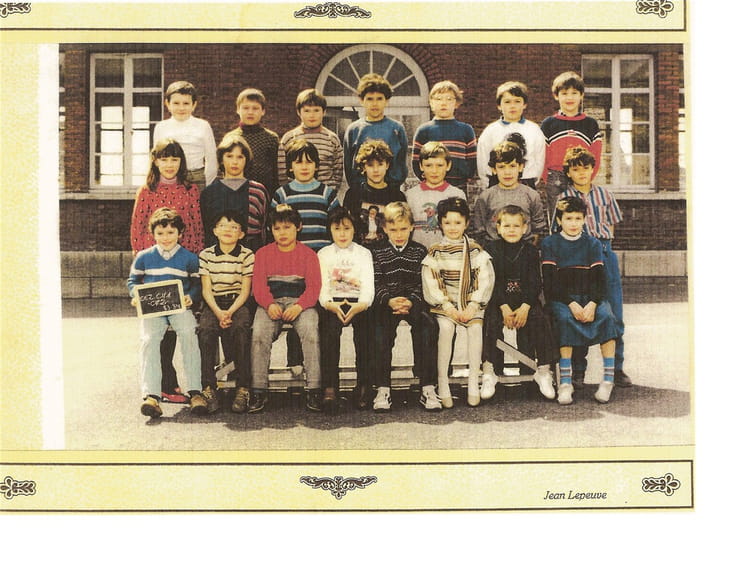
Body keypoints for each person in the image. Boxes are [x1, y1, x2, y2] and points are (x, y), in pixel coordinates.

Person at [130, 138, 203, 404]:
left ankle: (194, 388)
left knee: (183, 331)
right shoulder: (147, 191)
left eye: (174, 159)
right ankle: (160, 387)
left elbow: (196, 227)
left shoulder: (190, 189)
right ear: (155, 161)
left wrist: (191, 262)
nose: (169, 164)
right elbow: (138, 229)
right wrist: (147, 266)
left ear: (181, 162)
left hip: (181, 271)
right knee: (154, 336)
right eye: (164, 159)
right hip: (154, 276)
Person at [556, 146, 631, 388]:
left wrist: (604, 247)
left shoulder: (604, 194)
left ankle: (616, 368)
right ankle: (578, 370)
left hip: (604, 251)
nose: (581, 173)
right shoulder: (564, 198)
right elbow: (558, 230)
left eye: (586, 168)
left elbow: (612, 224)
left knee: (613, 312)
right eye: (576, 169)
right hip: (577, 255)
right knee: (580, 311)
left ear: (593, 169)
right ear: (568, 172)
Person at [541, 197, 621, 405]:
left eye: (578, 218)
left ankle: (608, 380)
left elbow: (599, 279)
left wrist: (593, 304)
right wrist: (572, 304)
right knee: (564, 319)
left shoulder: (593, 243)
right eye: (568, 218)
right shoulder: (550, 243)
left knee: (607, 316)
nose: (574, 223)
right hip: (563, 299)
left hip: (590, 298)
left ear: (584, 219)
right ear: (559, 220)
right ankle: (565, 383)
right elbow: (550, 282)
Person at [127, 208, 204, 418]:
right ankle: (151, 396)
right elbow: (133, 281)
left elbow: (197, 284)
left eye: (171, 232)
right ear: (153, 234)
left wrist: (191, 297)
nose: (166, 237)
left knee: (189, 334)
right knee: (149, 340)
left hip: (179, 307)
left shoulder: (189, 258)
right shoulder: (144, 257)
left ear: (180, 233)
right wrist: (136, 295)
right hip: (153, 309)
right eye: (160, 233)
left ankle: (196, 392)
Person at [273, 138, 340, 376]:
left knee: (316, 314)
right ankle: (294, 359)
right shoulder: (282, 194)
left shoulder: (327, 194)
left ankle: (317, 367)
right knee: (295, 305)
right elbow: (276, 229)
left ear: (317, 166)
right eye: (298, 162)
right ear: (290, 166)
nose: (304, 167)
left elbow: (335, 228)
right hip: (292, 264)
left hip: (320, 263)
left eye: (309, 162)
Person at [249, 204, 323, 413]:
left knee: (311, 332)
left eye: (287, 227)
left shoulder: (308, 254)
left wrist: (300, 305)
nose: (282, 233)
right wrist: (269, 304)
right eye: (277, 228)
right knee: (259, 334)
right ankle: (258, 389)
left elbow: (314, 287)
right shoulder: (263, 254)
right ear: (271, 230)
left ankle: (314, 388)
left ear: (298, 227)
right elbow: (258, 286)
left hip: (300, 303)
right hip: (271, 303)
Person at [422, 197, 495, 408]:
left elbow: (485, 279)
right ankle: (443, 383)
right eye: (447, 222)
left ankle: (473, 382)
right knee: (445, 329)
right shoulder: (435, 250)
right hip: (446, 306)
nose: (452, 227)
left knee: (475, 329)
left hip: (470, 304)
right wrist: (447, 306)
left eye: (457, 222)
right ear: (440, 224)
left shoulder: (475, 250)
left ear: (466, 223)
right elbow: (431, 281)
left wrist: (473, 305)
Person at [481, 205, 557, 401]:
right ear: (498, 228)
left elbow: (535, 282)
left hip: (525, 302)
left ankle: (543, 369)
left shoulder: (531, 251)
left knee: (540, 319)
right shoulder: (491, 249)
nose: (511, 230)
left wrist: (525, 306)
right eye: (506, 225)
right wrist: (504, 307)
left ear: (525, 228)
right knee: (489, 321)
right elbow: (491, 282)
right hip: (499, 302)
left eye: (516, 225)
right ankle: (490, 370)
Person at [370, 202, 439, 412]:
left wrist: (411, 301)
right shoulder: (376, 251)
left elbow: (422, 282)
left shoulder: (419, 251)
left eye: (403, 229)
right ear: (384, 229)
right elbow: (376, 282)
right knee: (380, 332)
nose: (399, 234)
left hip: (412, 302)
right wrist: (389, 300)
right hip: (387, 303)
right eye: (393, 230)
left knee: (428, 327)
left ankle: (427, 386)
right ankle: (382, 388)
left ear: (411, 227)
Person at [317, 207, 375, 412]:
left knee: (365, 335)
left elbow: (368, 283)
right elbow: (322, 285)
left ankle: (364, 385)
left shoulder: (363, 253)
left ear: (354, 230)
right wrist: (328, 304)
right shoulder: (324, 253)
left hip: (358, 302)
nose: (342, 234)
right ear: (330, 230)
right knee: (329, 335)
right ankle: (330, 387)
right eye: (337, 229)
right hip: (333, 303)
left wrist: (362, 304)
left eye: (347, 228)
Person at [198, 211, 254, 414]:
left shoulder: (247, 255)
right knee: (206, 330)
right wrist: (219, 313)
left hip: (237, 303)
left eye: (234, 227)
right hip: (213, 303)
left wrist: (229, 312)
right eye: (222, 226)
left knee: (241, 329)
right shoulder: (206, 255)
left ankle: (243, 387)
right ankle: (208, 387)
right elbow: (206, 290)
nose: (228, 230)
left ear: (241, 233)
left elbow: (245, 291)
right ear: (215, 231)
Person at [540, 71, 602, 227]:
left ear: (581, 95)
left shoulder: (590, 124)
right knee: (557, 221)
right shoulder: (549, 124)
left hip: (580, 176)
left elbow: (596, 155)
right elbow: (542, 155)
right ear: (556, 96)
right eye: (564, 93)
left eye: (574, 93)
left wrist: (586, 178)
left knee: (579, 221)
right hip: (555, 178)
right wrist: (547, 178)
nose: (569, 98)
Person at [200, 133, 269, 253]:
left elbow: (264, 230)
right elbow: (206, 231)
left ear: (246, 160)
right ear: (221, 159)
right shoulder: (209, 193)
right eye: (229, 156)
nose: (235, 162)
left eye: (240, 157)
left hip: (251, 255)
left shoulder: (258, 191)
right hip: (217, 258)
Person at [472, 140, 547, 248]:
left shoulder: (532, 195)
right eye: (501, 167)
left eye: (512, 166)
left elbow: (537, 229)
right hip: (494, 250)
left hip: (523, 250)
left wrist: (528, 249)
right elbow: (479, 229)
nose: (507, 172)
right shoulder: (486, 197)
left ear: (520, 167)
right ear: (494, 169)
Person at [476, 81, 546, 191]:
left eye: (517, 101)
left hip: (526, 182)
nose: (512, 106)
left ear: (524, 104)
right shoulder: (490, 131)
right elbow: (483, 162)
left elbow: (539, 161)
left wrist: (530, 181)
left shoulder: (534, 129)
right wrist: (490, 183)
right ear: (499, 106)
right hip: (497, 183)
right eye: (507, 102)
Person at [343, 73, 408, 189]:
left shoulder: (397, 128)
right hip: (361, 192)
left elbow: (401, 163)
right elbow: (348, 166)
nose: (374, 104)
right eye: (369, 99)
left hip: (390, 191)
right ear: (361, 100)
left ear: (386, 100)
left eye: (379, 99)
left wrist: (392, 186)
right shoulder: (354, 129)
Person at [412, 80, 477, 192]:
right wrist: (429, 181)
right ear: (431, 103)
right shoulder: (423, 130)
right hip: (431, 188)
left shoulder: (466, 130)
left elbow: (472, 161)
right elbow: (416, 162)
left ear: (456, 103)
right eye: (438, 99)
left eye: (449, 99)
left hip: (458, 187)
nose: (443, 103)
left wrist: (464, 178)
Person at [153, 81, 217, 193]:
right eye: (176, 103)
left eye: (186, 103)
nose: (181, 108)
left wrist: (206, 185)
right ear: (167, 104)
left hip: (197, 177)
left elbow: (212, 159)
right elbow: (156, 158)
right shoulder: (161, 127)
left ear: (194, 105)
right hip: (170, 178)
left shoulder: (203, 126)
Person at [342, 138, 406, 248]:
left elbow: (402, 229)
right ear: (363, 167)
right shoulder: (353, 194)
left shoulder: (397, 196)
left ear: (387, 165)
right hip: (359, 253)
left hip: (387, 254)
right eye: (370, 165)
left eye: (380, 164)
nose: (376, 170)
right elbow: (345, 227)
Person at [277, 88, 344, 192]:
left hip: (324, 195)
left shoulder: (332, 139)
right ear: (299, 112)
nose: (312, 115)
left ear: (324, 112)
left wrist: (330, 192)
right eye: (307, 111)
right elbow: (282, 172)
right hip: (295, 195)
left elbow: (338, 171)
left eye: (316, 110)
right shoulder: (289, 138)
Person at [405, 141, 467, 250]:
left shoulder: (457, 194)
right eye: (428, 165)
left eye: (440, 165)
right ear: (421, 166)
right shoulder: (410, 195)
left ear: (448, 166)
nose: (434, 171)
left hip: (447, 253)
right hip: (417, 253)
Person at [225, 87, 280, 196]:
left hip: (265, 194)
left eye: (255, 108)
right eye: (245, 108)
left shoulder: (271, 138)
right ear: (238, 110)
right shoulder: (230, 138)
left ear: (263, 111)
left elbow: (276, 172)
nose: (250, 112)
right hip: (236, 193)